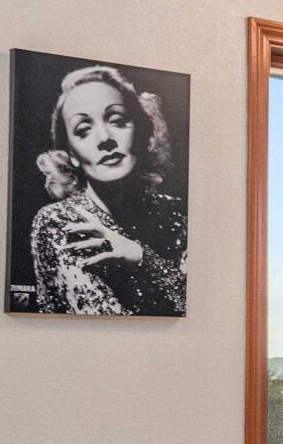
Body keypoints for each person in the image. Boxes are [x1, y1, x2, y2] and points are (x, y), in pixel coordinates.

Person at [28, 63, 185, 315]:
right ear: (72, 155)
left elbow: (205, 308)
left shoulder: (177, 213)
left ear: (146, 134)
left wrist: (141, 256)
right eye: (83, 130)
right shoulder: (57, 221)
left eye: (117, 120)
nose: (104, 139)